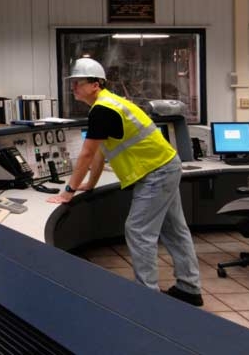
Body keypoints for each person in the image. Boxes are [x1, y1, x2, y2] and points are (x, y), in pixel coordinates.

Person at [47, 57, 203, 307]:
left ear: (96, 84)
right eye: (72, 83)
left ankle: (146, 299)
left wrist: (68, 191)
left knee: (138, 231)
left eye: (78, 82)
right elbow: (100, 153)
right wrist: (89, 183)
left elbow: (86, 154)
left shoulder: (103, 109)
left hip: (156, 172)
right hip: (165, 166)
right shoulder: (108, 104)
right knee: (175, 229)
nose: (73, 87)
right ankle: (189, 288)